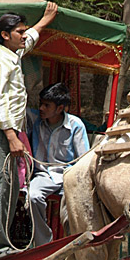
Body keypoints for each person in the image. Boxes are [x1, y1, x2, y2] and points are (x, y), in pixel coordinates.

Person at [0, 2, 58, 260]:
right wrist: (12, 137)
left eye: (24, 31)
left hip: (7, 135)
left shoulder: (12, 56)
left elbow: (31, 39)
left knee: (11, 191)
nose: (24, 35)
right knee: (2, 190)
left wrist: (46, 20)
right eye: (19, 32)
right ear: (5, 35)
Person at [27, 83, 89, 247]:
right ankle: (43, 244)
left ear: (60, 108)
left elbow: (84, 159)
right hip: (44, 175)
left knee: (72, 209)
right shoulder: (37, 122)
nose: (41, 108)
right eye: (41, 103)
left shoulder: (76, 125)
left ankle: (73, 246)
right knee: (32, 196)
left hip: (68, 177)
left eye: (47, 105)